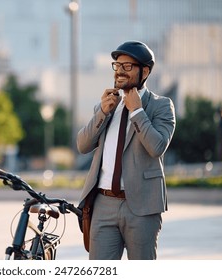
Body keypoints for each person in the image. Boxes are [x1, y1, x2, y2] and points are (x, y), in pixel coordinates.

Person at [77, 41, 176, 260]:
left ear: (145, 71)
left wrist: (137, 111)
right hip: (103, 204)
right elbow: (82, 145)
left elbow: (157, 147)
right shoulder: (107, 105)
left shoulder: (161, 106)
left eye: (127, 66)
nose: (120, 70)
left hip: (142, 206)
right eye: (117, 65)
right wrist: (102, 111)